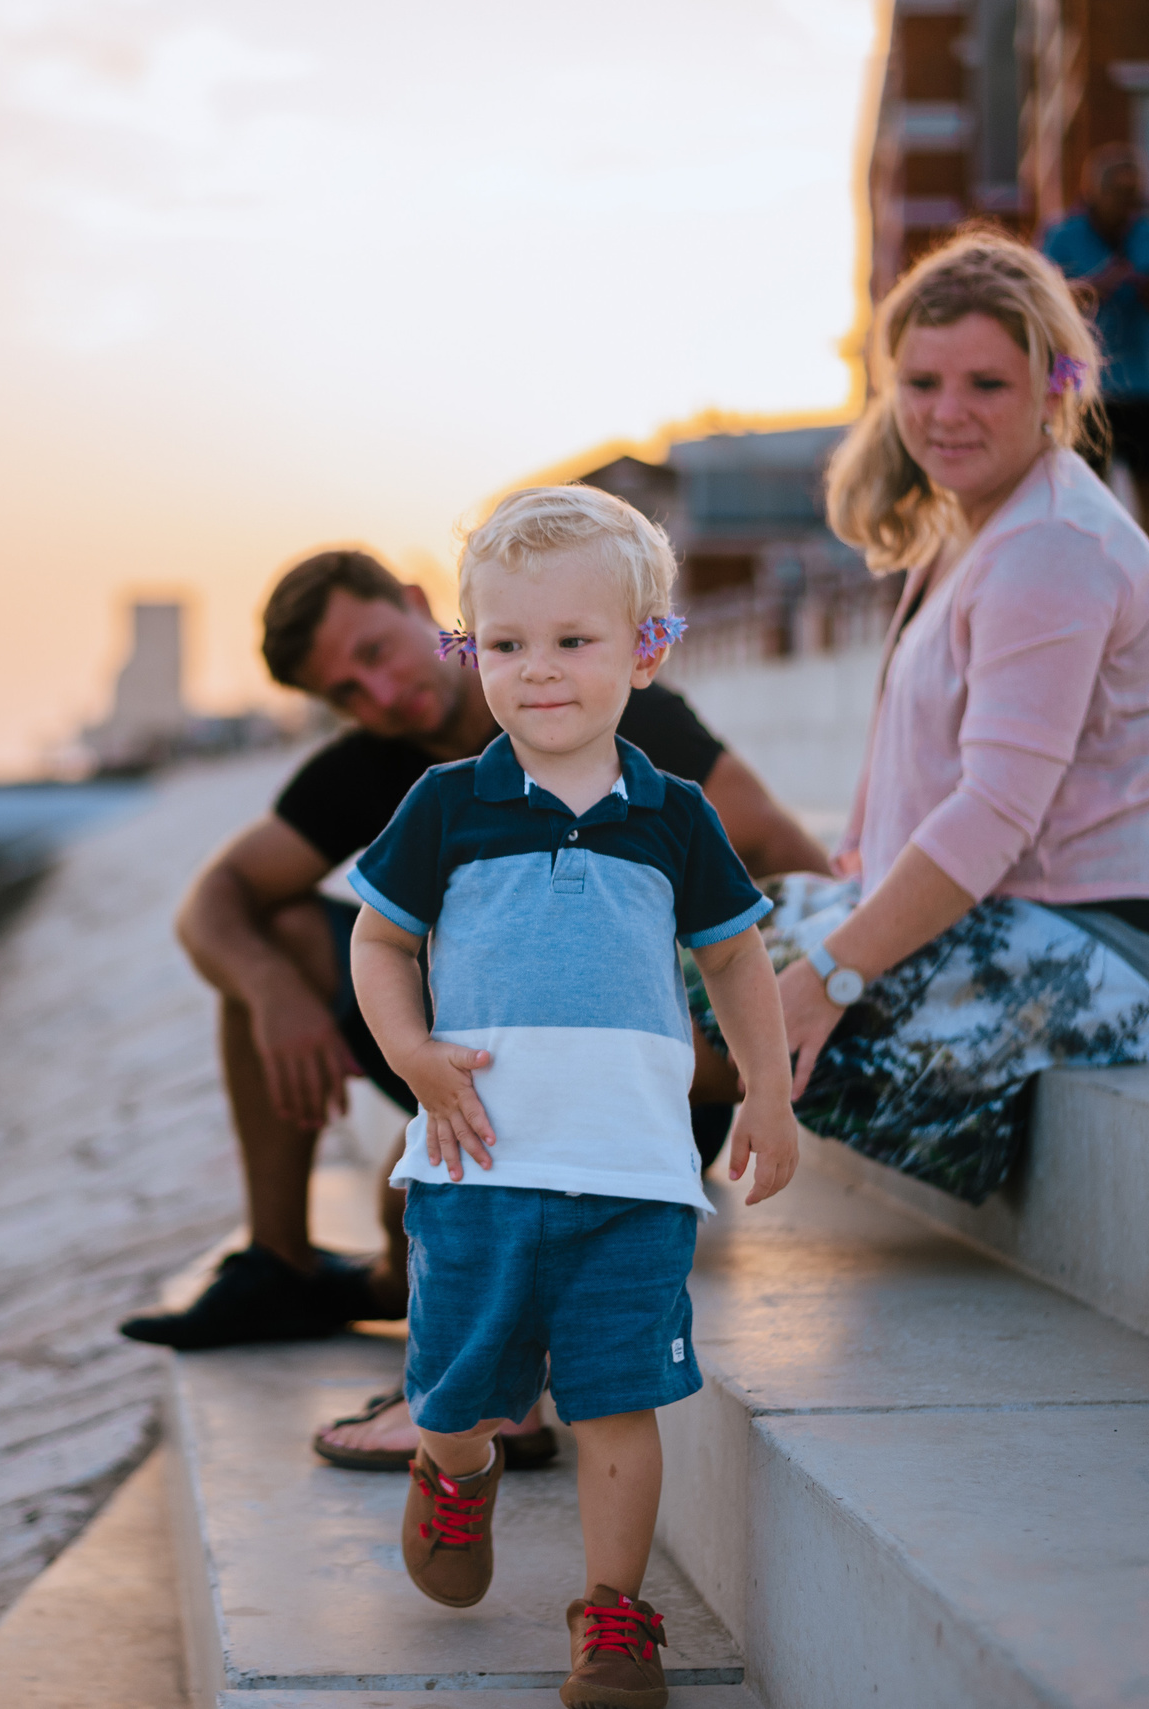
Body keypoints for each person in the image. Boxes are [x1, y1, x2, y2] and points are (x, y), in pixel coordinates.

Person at [347, 484, 800, 1707]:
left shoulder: (677, 817)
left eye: (571, 641)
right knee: (457, 1388)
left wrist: (767, 1089)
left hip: (632, 1179)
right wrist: (412, 1055)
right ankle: (454, 1468)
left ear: (645, 649)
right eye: (504, 644)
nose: (536, 672)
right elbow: (378, 945)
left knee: (615, 1403)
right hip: (475, 1163)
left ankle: (613, 1615)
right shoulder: (446, 805)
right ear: (469, 649)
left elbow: (736, 958)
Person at [724, 228, 1149, 1208]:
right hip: (991, 914)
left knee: (724, 1006)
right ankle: (602, 1249)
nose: (945, 414)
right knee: (682, 952)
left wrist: (831, 973)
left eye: (985, 383)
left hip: (1078, 948)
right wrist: (850, 885)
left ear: (1055, 386)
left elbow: (992, 810)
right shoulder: (974, 527)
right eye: (921, 383)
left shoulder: (1051, 547)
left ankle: (601, 1261)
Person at [1041, 146, 1149, 560]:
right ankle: (1089, 575)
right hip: (1080, 381)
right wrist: (1097, 285)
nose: (1130, 202)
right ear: (1093, 191)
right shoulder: (1062, 236)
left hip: (1142, 381)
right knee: (1084, 489)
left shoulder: (1146, 234)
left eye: (1135, 193)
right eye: (1121, 191)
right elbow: (1043, 304)